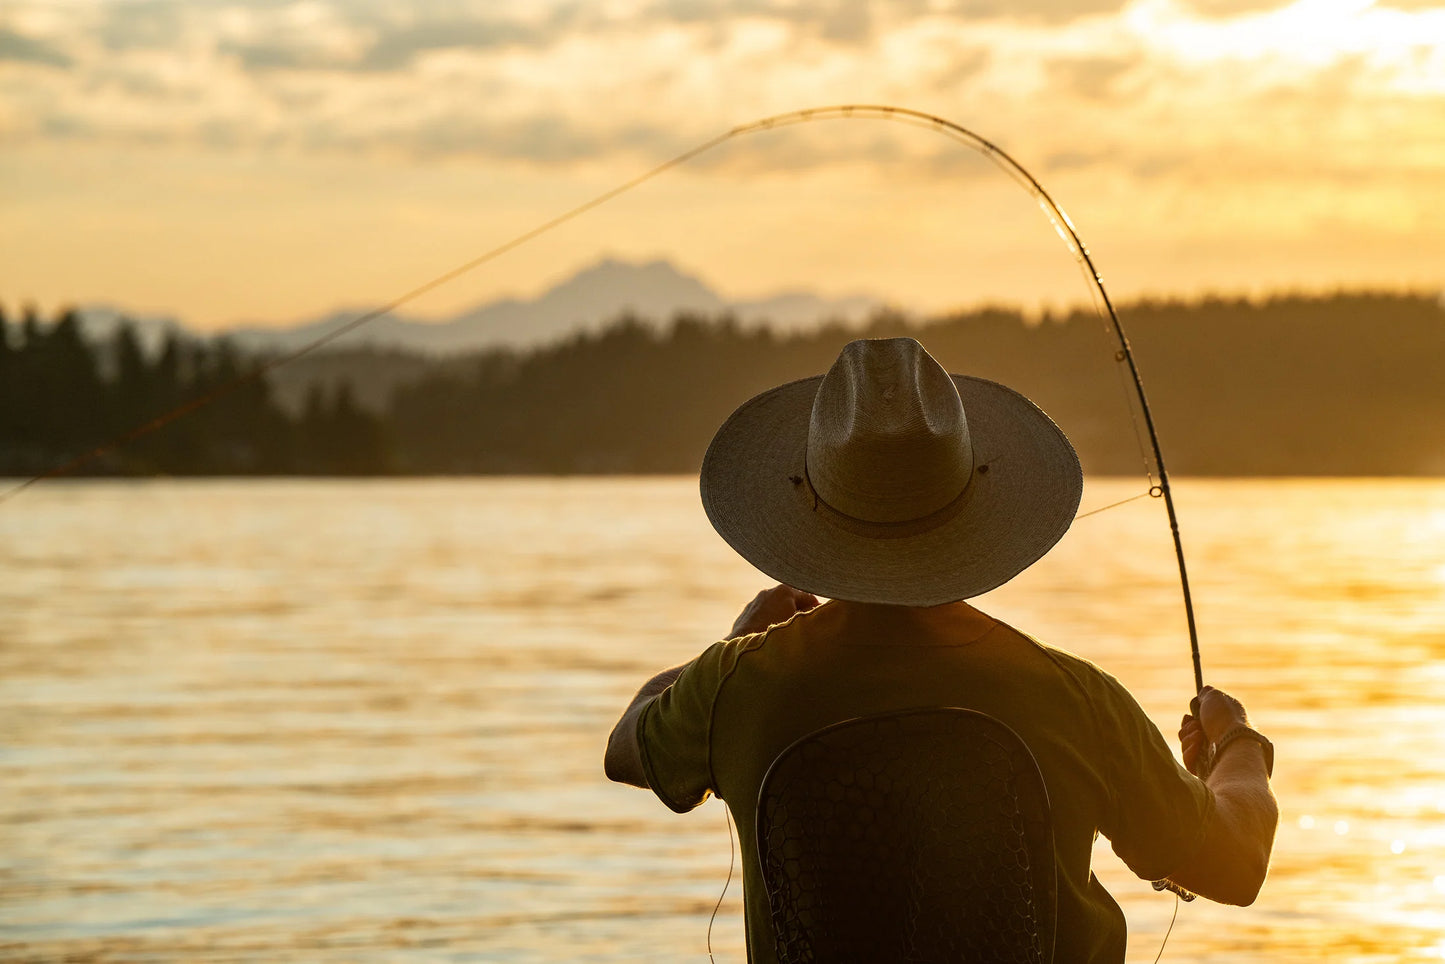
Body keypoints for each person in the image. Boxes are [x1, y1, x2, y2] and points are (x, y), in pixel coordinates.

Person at [604, 337, 1278, 963]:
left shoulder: (740, 683)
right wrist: (1239, 746)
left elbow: (626, 749)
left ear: (811, 500)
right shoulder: (1074, 699)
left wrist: (735, 644)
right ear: (974, 505)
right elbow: (1234, 867)